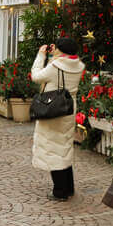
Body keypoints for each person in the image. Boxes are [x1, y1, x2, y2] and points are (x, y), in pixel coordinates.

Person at [30, 38, 85, 201]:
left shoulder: (55, 66)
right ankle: (68, 188)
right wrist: (55, 55)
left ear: (61, 50)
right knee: (64, 147)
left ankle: (59, 191)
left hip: (53, 108)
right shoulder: (78, 66)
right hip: (68, 107)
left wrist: (41, 55)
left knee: (53, 149)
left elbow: (36, 76)